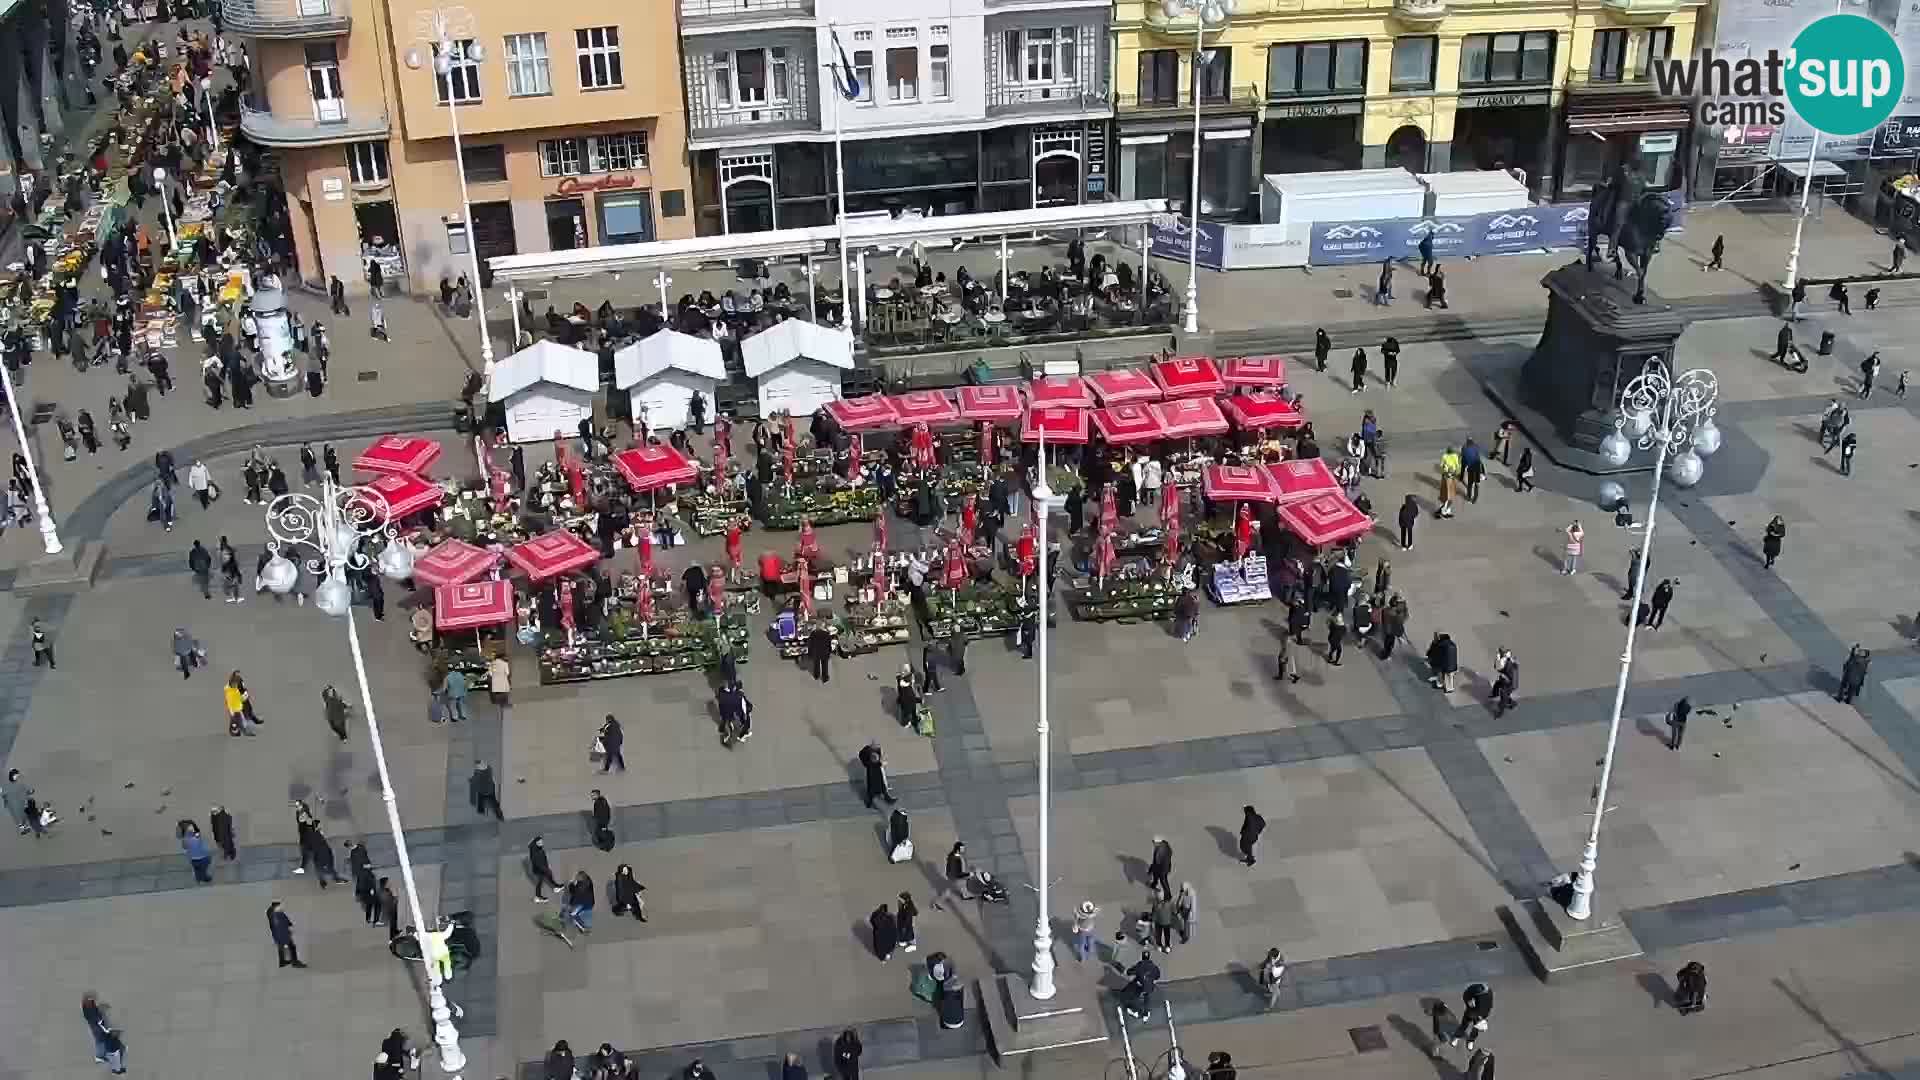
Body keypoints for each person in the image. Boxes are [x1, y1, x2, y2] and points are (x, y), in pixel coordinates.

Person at [267, 901, 306, 968]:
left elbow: (284, 922)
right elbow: (282, 925)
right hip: (282, 935)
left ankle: (282, 962)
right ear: (275, 907)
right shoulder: (278, 915)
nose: (281, 907)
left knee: (281, 947)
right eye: (279, 906)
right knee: (292, 947)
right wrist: (288, 933)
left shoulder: (272, 913)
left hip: (277, 935)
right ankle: (295, 962)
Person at [860, 743, 895, 808]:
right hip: (873, 774)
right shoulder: (869, 759)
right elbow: (877, 762)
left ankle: (886, 798)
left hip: (876, 774)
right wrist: (881, 763)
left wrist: (881, 762)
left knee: (881, 787)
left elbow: (879, 761)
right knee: (873, 790)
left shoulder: (874, 756)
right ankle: (870, 802)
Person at [528, 836, 561, 901]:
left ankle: (555, 886)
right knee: (540, 882)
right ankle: (538, 897)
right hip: (540, 870)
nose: (542, 843)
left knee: (547, 877)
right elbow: (538, 863)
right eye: (540, 842)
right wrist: (546, 869)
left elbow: (542, 859)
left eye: (542, 841)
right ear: (536, 843)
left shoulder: (536, 848)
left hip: (541, 868)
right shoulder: (535, 851)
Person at [1491, 647, 1518, 715]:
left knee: (1503, 697)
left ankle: (1500, 713)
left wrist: (1497, 659)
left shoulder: (1507, 663)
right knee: (1497, 685)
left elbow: (1497, 668)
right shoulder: (1509, 661)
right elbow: (1499, 668)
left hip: (1509, 683)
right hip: (1509, 681)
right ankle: (1512, 703)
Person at [895, 664, 921, 729]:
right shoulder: (907, 688)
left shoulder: (900, 680)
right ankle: (906, 723)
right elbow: (911, 698)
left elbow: (900, 690)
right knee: (909, 712)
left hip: (905, 701)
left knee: (908, 712)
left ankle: (912, 719)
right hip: (908, 703)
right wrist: (919, 700)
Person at [1147, 835, 1173, 900]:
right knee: (1155, 875)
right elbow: (1155, 861)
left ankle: (1168, 896)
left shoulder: (1162, 850)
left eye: (1154, 842)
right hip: (1159, 867)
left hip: (1163, 869)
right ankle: (1154, 884)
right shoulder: (1159, 846)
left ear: (1158, 842)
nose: (1153, 844)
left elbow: (1157, 862)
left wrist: (1151, 869)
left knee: (1163, 881)